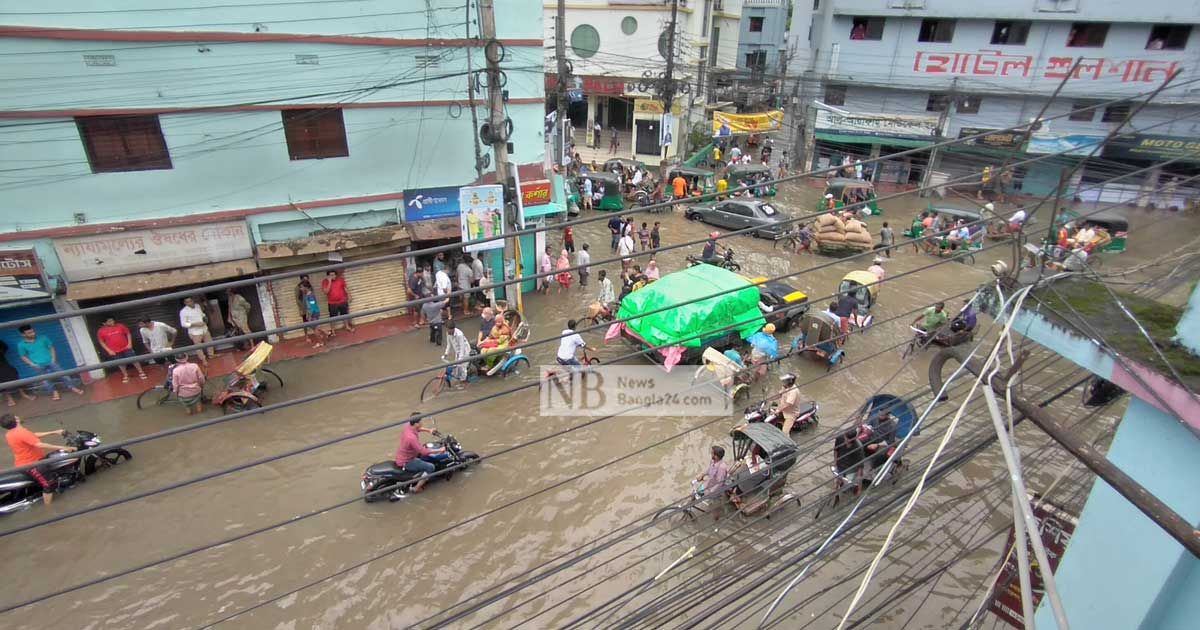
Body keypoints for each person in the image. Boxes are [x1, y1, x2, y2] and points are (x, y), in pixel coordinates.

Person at [3, 413, 75, 505]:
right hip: (31, 465)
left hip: (27, 462)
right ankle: (48, 509)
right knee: (49, 484)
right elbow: (39, 444)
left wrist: (54, 432)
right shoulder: (21, 432)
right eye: (15, 416)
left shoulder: (11, 433)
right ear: (16, 420)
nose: (17, 416)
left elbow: (32, 435)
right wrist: (62, 447)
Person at [17, 325, 84, 401]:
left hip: (51, 361)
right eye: (29, 333)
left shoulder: (43, 338)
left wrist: (53, 358)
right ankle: (54, 392)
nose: (33, 333)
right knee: (46, 380)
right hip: (38, 365)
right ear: (23, 334)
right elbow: (23, 356)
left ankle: (73, 387)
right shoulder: (21, 344)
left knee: (63, 374)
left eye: (33, 331)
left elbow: (51, 347)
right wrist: (32, 364)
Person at [394, 414, 446, 495]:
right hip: (408, 461)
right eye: (420, 421)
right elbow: (424, 452)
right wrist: (439, 450)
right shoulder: (411, 438)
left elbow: (418, 429)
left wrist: (429, 430)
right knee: (430, 467)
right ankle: (416, 488)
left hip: (403, 455)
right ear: (416, 424)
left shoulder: (408, 425)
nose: (422, 422)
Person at [96, 317, 147, 383]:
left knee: (134, 359)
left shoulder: (120, 326)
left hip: (126, 347)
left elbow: (128, 334)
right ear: (104, 323)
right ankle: (125, 375)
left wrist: (129, 344)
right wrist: (109, 350)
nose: (112, 322)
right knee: (120, 363)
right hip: (114, 351)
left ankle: (141, 372)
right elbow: (101, 342)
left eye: (112, 320)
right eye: (109, 321)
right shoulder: (101, 331)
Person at [179, 297, 215, 363]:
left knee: (210, 342)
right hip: (195, 332)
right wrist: (195, 324)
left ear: (193, 300)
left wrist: (205, 319)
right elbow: (183, 324)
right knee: (198, 347)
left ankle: (211, 355)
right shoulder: (183, 311)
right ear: (185, 303)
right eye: (187, 302)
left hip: (204, 328)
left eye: (190, 301)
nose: (189, 303)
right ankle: (203, 359)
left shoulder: (197, 306)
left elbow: (202, 315)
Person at [0, 339, 34, 407]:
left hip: (3, 364)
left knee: (14, 377)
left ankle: (23, 394)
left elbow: (5, 346)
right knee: (1, 383)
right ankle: (9, 398)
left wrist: (1, 353)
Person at [321, 270, 355, 334]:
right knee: (333, 317)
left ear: (336, 275)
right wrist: (330, 282)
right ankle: (333, 330)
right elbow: (326, 292)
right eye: (330, 275)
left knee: (345, 314)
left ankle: (347, 326)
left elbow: (345, 288)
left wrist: (349, 295)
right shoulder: (325, 282)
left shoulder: (340, 279)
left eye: (333, 275)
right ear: (328, 276)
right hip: (332, 303)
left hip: (342, 301)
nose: (332, 276)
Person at [442, 321, 472, 388]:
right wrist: (446, 354)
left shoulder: (459, 334)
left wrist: (460, 359)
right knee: (456, 368)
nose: (450, 332)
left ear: (453, 329)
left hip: (465, 351)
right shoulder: (448, 333)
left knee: (462, 367)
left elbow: (462, 347)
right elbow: (449, 344)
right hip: (457, 351)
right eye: (448, 330)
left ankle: (464, 382)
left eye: (451, 330)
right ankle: (459, 378)